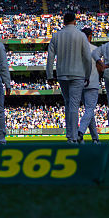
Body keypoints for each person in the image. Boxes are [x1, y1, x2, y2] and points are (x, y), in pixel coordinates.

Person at [44, 12, 94, 143]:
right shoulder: (81, 36)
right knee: (74, 105)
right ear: (75, 21)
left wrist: (50, 75)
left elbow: (50, 57)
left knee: (68, 103)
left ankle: (69, 135)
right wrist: (87, 74)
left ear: (64, 22)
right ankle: (72, 137)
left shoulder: (56, 35)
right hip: (78, 74)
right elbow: (87, 58)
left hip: (62, 74)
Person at [78, 27, 101, 144]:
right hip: (92, 83)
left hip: (80, 84)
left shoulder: (77, 51)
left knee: (89, 111)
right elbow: (100, 67)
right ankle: (80, 132)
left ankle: (95, 139)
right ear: (90, 36)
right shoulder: (95, 50)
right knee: (90, 110)